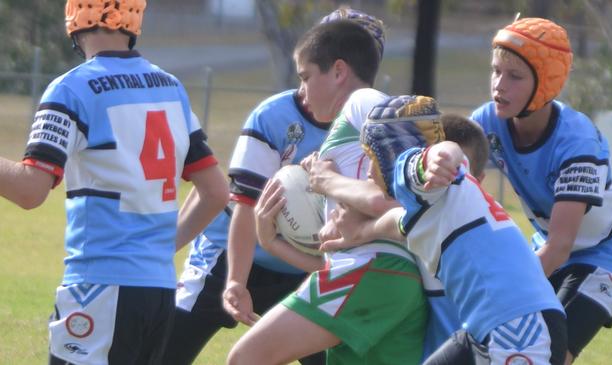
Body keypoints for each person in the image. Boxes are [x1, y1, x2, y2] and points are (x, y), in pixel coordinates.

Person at [0, 1, 230, 363]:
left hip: (100, 286)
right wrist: (157, 248)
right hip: (158, 289)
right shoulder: (171, 87)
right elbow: (216, 192)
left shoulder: (72, 89)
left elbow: (30, 190)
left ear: (75, 17)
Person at [160, 8, 386, 365]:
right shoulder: (275, 116)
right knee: (165, 351)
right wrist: (236, 279)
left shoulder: (372, 127)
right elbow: (245, 205)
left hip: (303, 267)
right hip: (230, 253)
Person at [226, 20, 428, 365]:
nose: (301, 91)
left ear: (338, 72)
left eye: (305, 77)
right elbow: (331, 257)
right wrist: (271, 240)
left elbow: (405, 196)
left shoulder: (365, 101)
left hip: (374, 271)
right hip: (389, 279)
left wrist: (327, 181)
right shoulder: (343, 140)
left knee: (246, 358)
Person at [322, 96, 568, 364]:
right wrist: (359, 233)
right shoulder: (437, 197)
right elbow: (397, 223)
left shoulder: (415, 173)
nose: (368, 171)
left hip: (518, 324)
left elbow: (445, 151)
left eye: (371, 155)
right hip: (488, 326)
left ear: (390, 151)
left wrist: (441, 156)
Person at [470, 17, 612, 364]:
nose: (498, 85)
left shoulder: (577, 142)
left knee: (546, 356)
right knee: (503, 347)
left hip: (605, 257)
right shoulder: (487, 121)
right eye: (495, 70)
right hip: (547, 249)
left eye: (514, 76)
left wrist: (504, 293)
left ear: (547, 82)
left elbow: (561, 246)